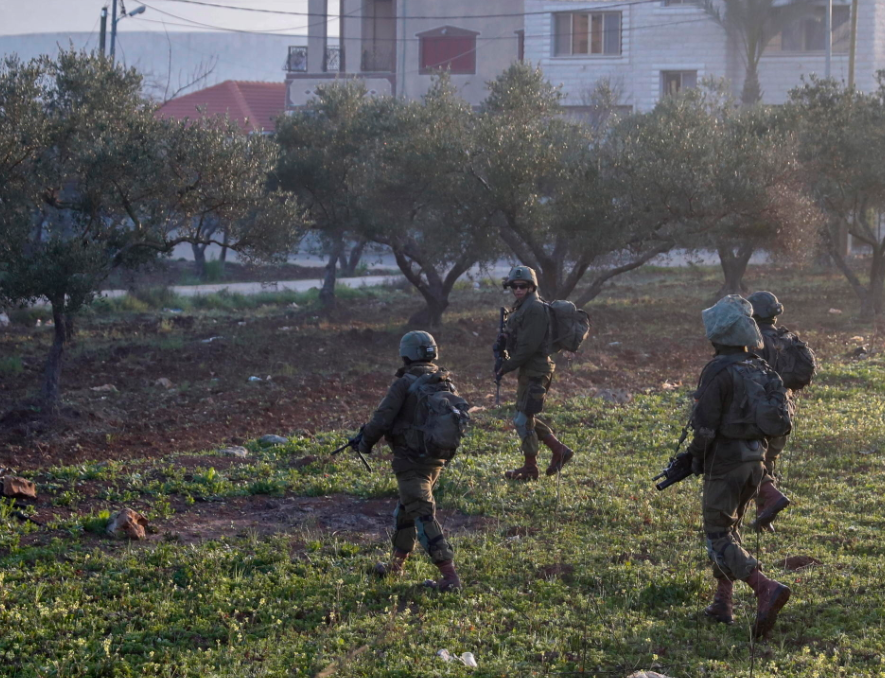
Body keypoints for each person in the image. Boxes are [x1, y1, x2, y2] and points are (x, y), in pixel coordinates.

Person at [688, 294, 792, 638]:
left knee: (718, 535)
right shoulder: (760, 368)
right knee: (730, 533)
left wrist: (693, 458)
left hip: (726, 462)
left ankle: (764, 587)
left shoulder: (718, 371)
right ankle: (723, 602)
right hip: (755, 463)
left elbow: (704, 426)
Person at [360, 331, 464, 591]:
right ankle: (396, 567)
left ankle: (450, 578)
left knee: (421, 512)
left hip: (410, 460)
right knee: (405, 512)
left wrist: (364, 442)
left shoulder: (404, 383)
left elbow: (382, 418)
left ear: (406, 354)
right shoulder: (444, 381)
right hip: (435, 459)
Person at [494, 265, 574, 481]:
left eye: (522, 286)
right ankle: (559, 450)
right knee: (525, 417)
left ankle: (531, 469)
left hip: (537, 370)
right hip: (529, 369)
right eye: (514, 286)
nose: (517, 290)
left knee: (522, 420)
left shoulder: (535, 309)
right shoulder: (522, 307)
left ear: (531, 287)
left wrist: (507, 366)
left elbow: (528, 347)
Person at [746, 290, 814, 532]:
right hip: (786, 409)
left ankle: (765, 507)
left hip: (760, 410)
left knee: (750, 460)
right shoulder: (787, 340)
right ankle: (765, 518)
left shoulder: (753, 342)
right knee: (769, 459)